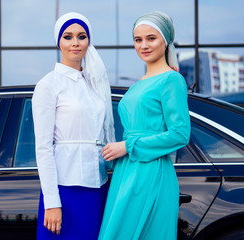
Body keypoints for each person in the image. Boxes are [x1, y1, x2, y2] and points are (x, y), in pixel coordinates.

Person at [98, 11, 191, 240]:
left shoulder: (171, 79)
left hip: (150, 171)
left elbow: (180, 134)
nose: (144, 45)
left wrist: (128, 146)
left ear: (165, 41)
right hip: (125, 170)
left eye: (151, 38)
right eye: (138, 40)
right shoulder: (138, 84)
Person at [32, 12, 115, 239]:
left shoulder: (95, 83)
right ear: (58, 41)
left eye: (82, 36)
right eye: (68, 37)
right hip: (65, 189)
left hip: (98, 185)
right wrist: (51, 202)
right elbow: (43, 147)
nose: (75, 43)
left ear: (89, 41)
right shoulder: (48, 85)